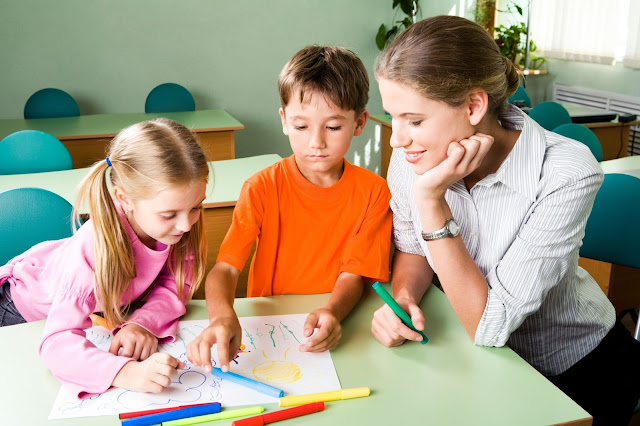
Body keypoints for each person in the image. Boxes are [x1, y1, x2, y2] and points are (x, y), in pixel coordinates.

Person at [369, 15, 640, 425]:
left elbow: (489, 326)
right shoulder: (414, 157)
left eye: (415, 120)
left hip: (572, 370)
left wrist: (431, 201)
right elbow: (412, 247)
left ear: (475, 105)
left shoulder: (566, 170)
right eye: (394, 116)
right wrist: (405, 297)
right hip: (471, 358)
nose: (396, 138)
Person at [187, 45, 392, 373]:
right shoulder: (261, 187)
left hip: (339, 323)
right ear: (284, 121)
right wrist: (222, 317)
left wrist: (332, 311)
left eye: (333, 127)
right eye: (301, 126)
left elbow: (354, 275)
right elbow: (225, 270)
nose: (317, 141)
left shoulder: (375, 192)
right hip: (272, 329)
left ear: (359, 123)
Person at [0, 118, 210, 398]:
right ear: (125, 199)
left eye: (196, 207)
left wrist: (142, 323)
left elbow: (177, 282)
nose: (186, 225)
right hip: (21, 310)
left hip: (94, 307)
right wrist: (125, 372)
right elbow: (56, 343)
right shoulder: (96, 246)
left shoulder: (177, 221)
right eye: (169, 215)